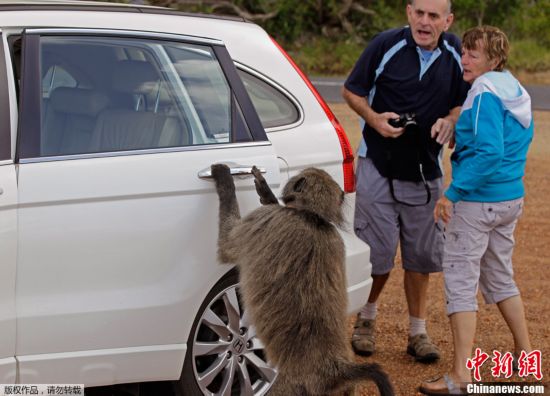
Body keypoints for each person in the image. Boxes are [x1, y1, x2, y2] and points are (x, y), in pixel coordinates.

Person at [342, 0, 469, 362]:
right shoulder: (386, 44)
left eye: (433, 16)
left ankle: (418, 332)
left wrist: (452, 120)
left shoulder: (456, 53)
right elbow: (352, 90)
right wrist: (375, 119)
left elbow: (463, 102)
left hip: (426, 171)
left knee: (421, 256)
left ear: (448, 20)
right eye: (419, 13)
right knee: (377, 254)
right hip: (377, 166)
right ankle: (365, 321)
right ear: (408, 12)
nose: (424, 22)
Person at [419, 26, 534, 395]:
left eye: (474, 55)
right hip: (508, 198)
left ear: (494, 59)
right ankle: (525, 355)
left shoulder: (483, 94)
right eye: (464, 52)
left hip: (477, 202)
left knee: (460, 282)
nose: (465, 59)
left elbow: (489, 152)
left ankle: (459, 376)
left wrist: (452, 193)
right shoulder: (513, 88)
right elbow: (504, 141)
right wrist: (460, 132)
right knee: (500, 276)